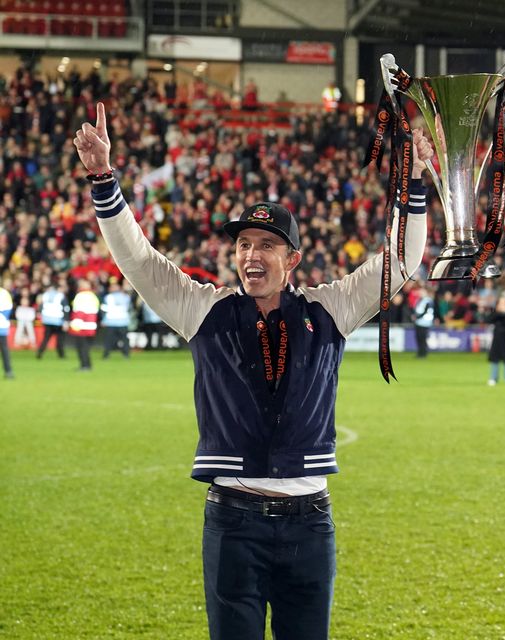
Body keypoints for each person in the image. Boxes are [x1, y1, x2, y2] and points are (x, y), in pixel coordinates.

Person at [74, 101, 433, 640]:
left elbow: (400, 262)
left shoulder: (328, 309)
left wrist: (417, 187)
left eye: (267, 245)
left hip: (310, 522)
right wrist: (104, 178)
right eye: (243, 245)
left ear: (292, 260)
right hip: (232, 520)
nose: (251, 255)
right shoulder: (204, 309)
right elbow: (141, 262)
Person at [69, 278, 100, 372]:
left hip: (81, 325)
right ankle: (87, 365)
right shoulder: (93, 296)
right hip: (90, 325)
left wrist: (74, 325)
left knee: (81, 347)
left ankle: (85, 366)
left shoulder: (81, 295)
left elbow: (78, 311)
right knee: (85, 347)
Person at [487, 295, 505, 386]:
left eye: (504, 303)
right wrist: (499, 312)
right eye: (500, 303)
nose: (502, 305)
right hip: (497, 340)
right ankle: (493, 378)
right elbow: (489, 319)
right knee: (495, 359)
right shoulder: (494, 314)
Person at [36, 279, 68, 359]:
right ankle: (61, 355)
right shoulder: (61, 296)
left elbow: (40, 306)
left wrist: (40, 314)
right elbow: (66, 309)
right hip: (58, 320)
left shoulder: (45, 295)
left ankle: (40, 353)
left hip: (47, 320)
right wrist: (66, 321)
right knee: (60, 339)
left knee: (46, 338)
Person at [100, 279, 132, 358]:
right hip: (122, 321)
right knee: (124, 339)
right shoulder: (126, 297)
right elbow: (129, 308)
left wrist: (103, 320)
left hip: (111, 321)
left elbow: (103, 309)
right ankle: (126, 354)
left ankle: (106, 355)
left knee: (109, 340)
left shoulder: (108, 297)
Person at [412, 283, 434, 358]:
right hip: (419, 322)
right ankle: (420, 353)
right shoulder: (420, 300)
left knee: (422, 338)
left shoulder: (428, 301)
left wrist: (417, 317)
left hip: (424, 323)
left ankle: (423, 353)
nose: (420, 293)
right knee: (418, 338)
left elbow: (425, 311)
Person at [0, 285, 13, 379]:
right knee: (4, 349)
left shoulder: (4, 293)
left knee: (4, 349)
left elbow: (8, 309)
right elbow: (9, 309)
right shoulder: (5, 293)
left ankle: (8, 371)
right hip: (2, 324)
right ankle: (8, 371)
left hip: (1, 324)